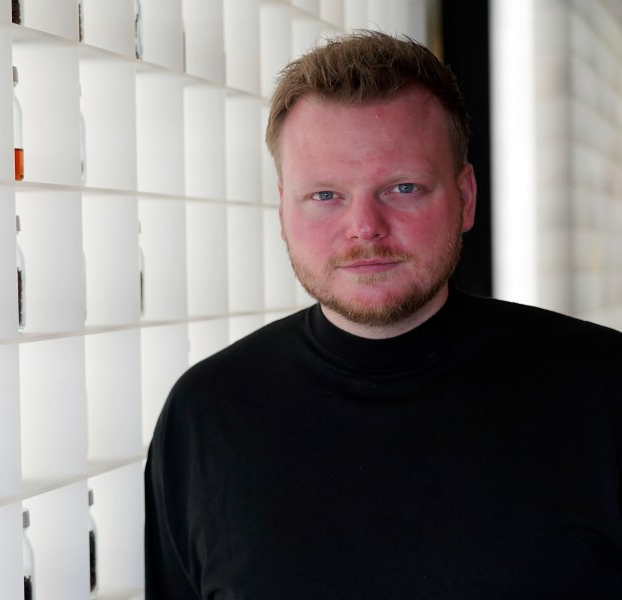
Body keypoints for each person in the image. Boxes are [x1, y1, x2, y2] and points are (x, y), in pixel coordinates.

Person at [144, 30, 622, 599]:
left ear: (465, 198)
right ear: (282, 209)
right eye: (326, 195)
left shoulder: (604, 388)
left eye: (402, 187)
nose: (365, 228)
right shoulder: (206, 415)